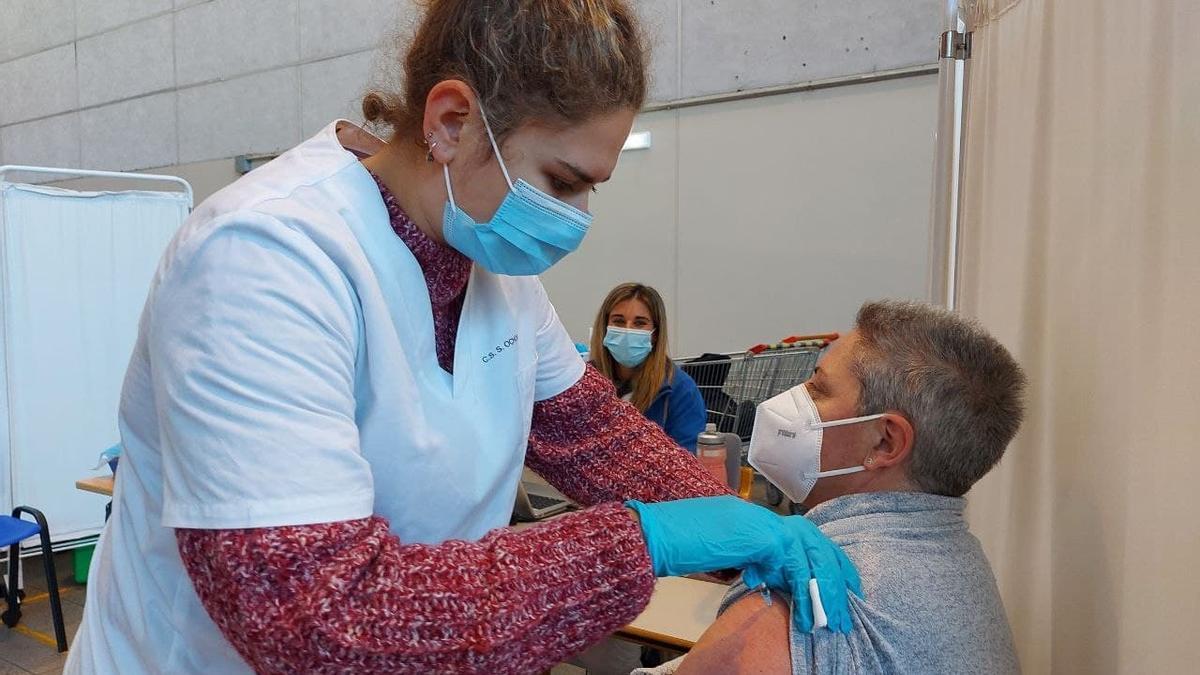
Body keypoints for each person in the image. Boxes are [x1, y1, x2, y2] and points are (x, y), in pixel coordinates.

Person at [64, 2, 859, 673]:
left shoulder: (493, 267)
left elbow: (594, 435)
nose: (577, 216)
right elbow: (319, 617)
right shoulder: (260, 259)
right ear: (450, 122)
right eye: (562, 181)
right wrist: (640, 542)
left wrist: (733, 523)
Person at [675, 300, 1025, 675]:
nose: (792, 399)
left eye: (817, 389)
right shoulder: (964, 566)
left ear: (884, 443)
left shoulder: (802, 591)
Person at [590, 283, 707, 452]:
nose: (628, 330)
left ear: (655, 334)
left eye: (639, 323)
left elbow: (688, 459)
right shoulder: (584, 381)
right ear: (605, 326)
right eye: (619, 321)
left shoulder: (680, 390)